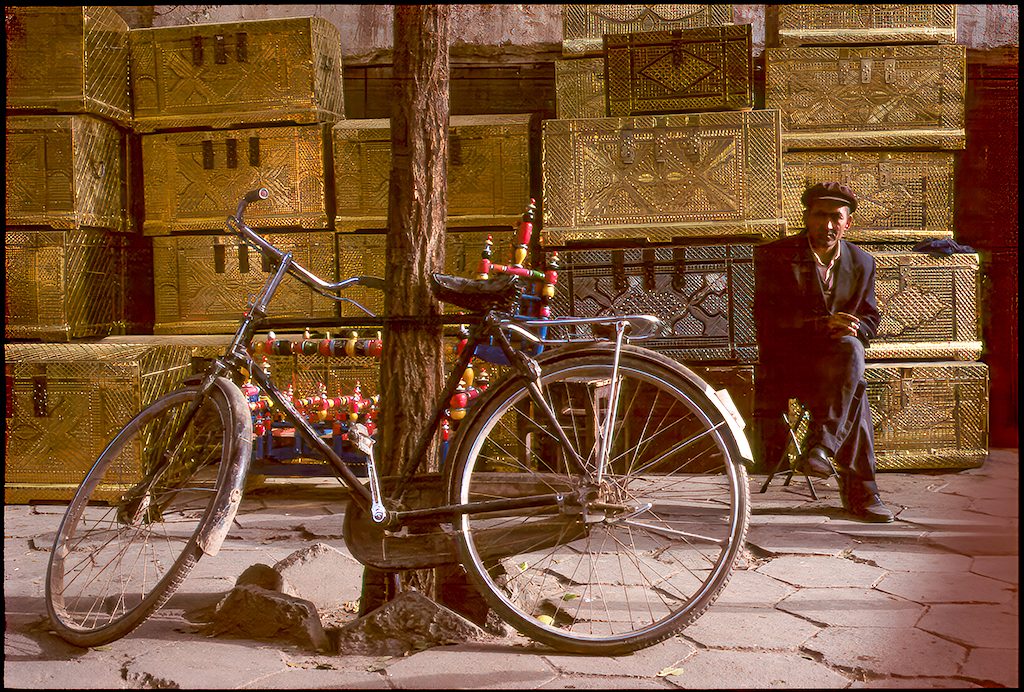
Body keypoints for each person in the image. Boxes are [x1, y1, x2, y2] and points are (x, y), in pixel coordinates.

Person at [753, 182, 894, 522]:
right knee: (854, 386)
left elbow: (871, 318)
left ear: (848, 222)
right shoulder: (775, 256)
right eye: (819, 215)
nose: (827, 225)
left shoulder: (861, 262)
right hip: (789, 367)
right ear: (806, 217)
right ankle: (859, 489)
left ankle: (822, 448)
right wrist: (820, 325)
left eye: (836, 218)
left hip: (837, 368)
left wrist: (855, 327)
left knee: (851, 351)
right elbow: (763, 321)